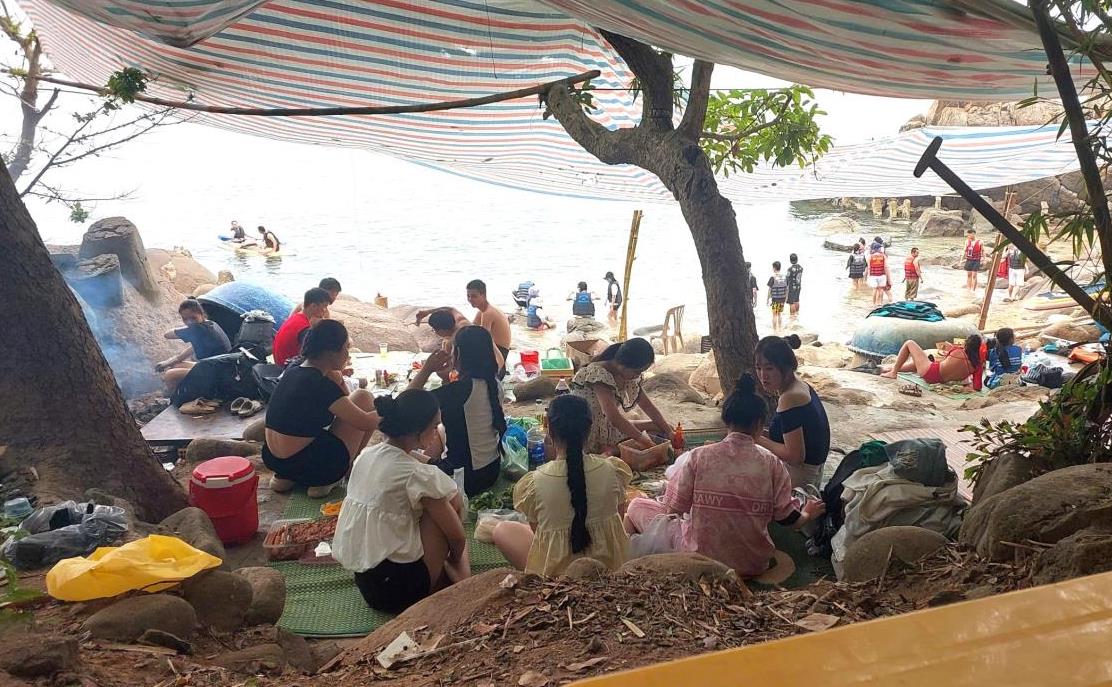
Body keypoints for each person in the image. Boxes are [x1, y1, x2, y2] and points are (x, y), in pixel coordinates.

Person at [623, 373, 826, 576]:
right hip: (753, 564)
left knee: (636, 506)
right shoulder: (772, 463)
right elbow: (789, 519)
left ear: (725, 421)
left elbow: (672, 510)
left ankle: (623, 569)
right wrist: (807, 513)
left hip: (700, 560)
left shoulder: (699, 456)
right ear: (759, 425)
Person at [332, 389, 469, 614]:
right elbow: (457, 536)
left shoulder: (365, 456)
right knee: (444, 510)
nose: (436, 432)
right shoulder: (414, 474)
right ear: (417, 429)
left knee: (433, 500)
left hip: (368, 586)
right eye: (435, 426)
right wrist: (455, 558)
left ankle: (445, 571)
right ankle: (459, 575)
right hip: (404, 591)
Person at [491, 394, 632, 575]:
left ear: (549, 431)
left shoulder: (534, 483)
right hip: (610, 572)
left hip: (557, 581)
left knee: (502, 530)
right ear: (589, 429)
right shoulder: (613, 470)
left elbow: (539, 537)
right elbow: (618, 520)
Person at [263, 320, 379, 498]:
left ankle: (286, 479)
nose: (347, 354)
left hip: (274, 459)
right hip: (314, 467)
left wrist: (338, 377)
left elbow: (344, 400)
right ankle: (335, 476)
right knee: (363, 397)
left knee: (306, 433)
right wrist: (390, 408)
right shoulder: (321, 385)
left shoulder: (293, 371)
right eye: (345, 348)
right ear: (331, 351)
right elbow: (365, 422)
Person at [409, 326, 506, 496]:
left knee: (398, 448)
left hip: (465, 479)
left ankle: (436, 464)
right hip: (492, 470)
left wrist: (427, 369)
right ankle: (436, 460)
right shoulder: (494, 382)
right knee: (439, 430)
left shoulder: (460, 391)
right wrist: (446, 377)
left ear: (458, 354)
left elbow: (404, 403)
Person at [569, 338, 672, 464]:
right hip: (588, 429)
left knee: (663, 427)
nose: (637, 375)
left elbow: (648, 406)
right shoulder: (599, 374)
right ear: (623, 364)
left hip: (606, 426)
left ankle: (613, 449)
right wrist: (645, 442)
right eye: (637, 371)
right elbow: (614, 418)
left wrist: (670, 432)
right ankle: (612, 450)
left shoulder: (626, 375)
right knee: (642, 439)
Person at [753, 335, 831, 490]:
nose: (763, 375)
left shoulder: (790, 397)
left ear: (786, 367)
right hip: (811, 470)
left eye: (769, 368)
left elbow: (795, 457)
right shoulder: (799, 384)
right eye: (758, 368)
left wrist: (755, 437)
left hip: (801, 476)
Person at [415, 280, 512, 378]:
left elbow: (482, 342)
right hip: (495, 353)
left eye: (474, 296)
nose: (470, 299)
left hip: (498, 362)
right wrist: (427, 312)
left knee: (449, 353)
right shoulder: (481, 313)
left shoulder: (488, 314)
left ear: (483, 295)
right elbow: (450, 309)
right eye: (468, 296)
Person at [156, 299, 233, 392]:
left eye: (193, 318)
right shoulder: (210, 323)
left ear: (201, 314)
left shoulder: (198, 329)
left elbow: (167, 335)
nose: (189, 322)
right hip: (217, 369)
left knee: (169, 375)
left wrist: (188, 327)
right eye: (185, 319)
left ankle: (179, 398)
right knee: (176, 365)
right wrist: (171, 361)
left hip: (218, 377)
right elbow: (194, 347)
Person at [881, 335, 984, 391]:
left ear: (966, 344)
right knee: (916, 365)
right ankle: (886, 369)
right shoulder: (977, 365)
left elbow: (947, 356)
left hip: (930, 372)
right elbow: (978, 386)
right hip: (939, 380)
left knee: (909, 343)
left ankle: (893, 372)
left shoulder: (957, 351)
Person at [426, 309, 505, 374]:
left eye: (434, 330)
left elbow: (450, 368)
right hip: (500, 364)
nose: (434, 332)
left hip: (493, 372)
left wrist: (430, 369)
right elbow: (450, 308)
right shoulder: (461, 320)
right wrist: (427, 312)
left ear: (441, 330)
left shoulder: (453, 342)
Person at [273, 287, 332, 366]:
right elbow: (313, 355)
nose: (325, 310)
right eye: (324, 306)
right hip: (286, 367)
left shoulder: (296, 317)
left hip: (280, 362)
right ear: (313, 306)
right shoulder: (304, 328)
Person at [766, 261, 788, 332]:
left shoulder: (773, 277)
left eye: (773, 267)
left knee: (774, 314)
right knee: (779, 314)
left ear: (774, 268)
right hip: (782, 298)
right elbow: (787, 289)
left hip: (775, 298)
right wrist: (786, 298)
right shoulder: (785, 277)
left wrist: (767, 299)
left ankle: (775, 330)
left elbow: (769, 290)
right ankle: (780, 329)